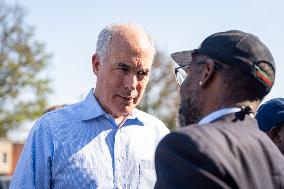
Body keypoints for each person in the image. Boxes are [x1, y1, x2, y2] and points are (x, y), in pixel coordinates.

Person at [10, 23, 169, 189]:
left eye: (142, 73)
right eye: (123, 68)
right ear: (96, 64)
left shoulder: (158, 135)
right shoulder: (50, 130)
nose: (132, 84)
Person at [155, 30, 284, 188]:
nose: (183, 86)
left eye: (188, 73)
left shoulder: (187, 147)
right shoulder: (276, 160)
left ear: (207, 72)